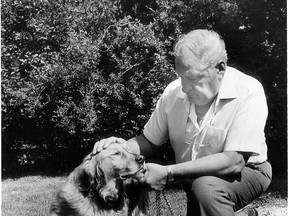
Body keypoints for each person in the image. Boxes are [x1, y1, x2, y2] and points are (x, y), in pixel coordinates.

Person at [93, 29, 272, 216]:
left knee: (206, 189)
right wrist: (114, 150)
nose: (184, 87)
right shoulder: (173, 93)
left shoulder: (249, 90)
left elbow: (233, 162)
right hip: (193, 180)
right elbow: (147, 141)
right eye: (180, 77)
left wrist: (168, 173)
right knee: (203, 189)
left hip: (246, 172)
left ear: (220, 69)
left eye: (192, 78)